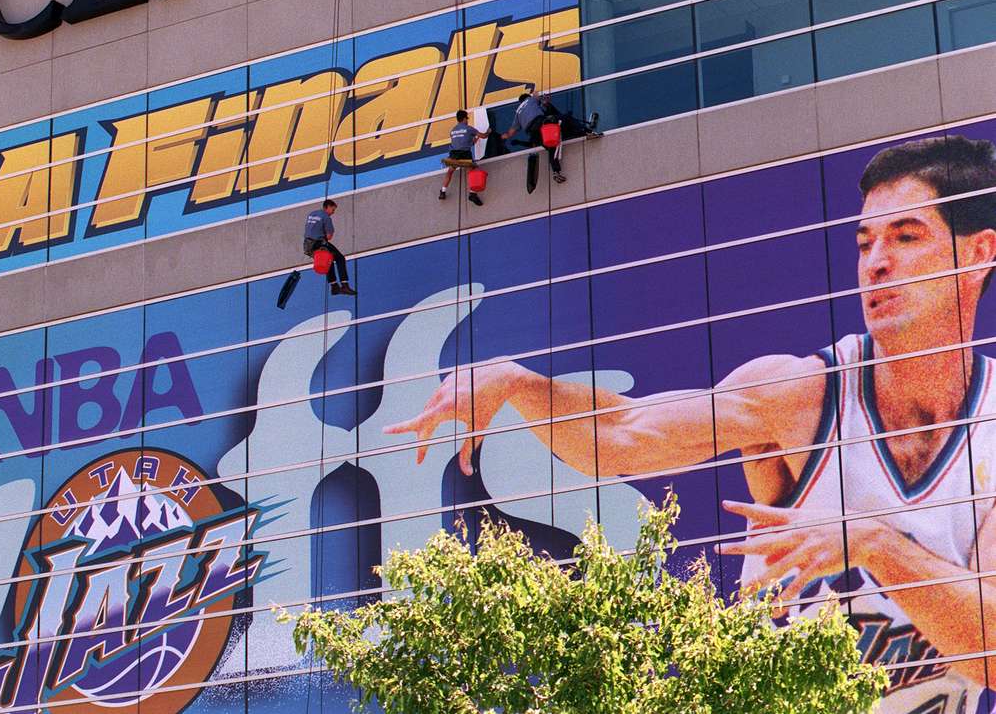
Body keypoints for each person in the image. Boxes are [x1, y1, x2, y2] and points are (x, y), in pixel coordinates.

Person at [385, 135, 996, 712]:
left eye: (907, 237)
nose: (877, 264)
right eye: (865, 244)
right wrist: (518, 384)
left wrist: (872, 543)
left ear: (977, 253)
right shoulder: (800, 396)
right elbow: (624, 435)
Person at [503, 92, 564, 183]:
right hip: (539, 123)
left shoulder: (518, 112)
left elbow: (511, 132)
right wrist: (544, 99)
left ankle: (556, 172)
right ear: (527, 97)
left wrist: (502, 137)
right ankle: (584, 131)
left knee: (551, 147)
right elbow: (537, 95)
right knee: (561, 119)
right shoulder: (530, 99)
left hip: (532, 133)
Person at [303, 199, 356, 296]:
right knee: (340, 258)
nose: (333, 212)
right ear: (327, 207)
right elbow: (329, 236)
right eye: (333, 210)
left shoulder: (312, 214)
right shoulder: (326, 217)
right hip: (319, 243)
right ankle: (345, 285)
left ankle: (334, 286)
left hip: (307, 245)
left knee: (328, 259)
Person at [442, 109, 490, 206]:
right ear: (464, 118)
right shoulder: (468, 128)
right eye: (467, 118)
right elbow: (484, 136)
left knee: (450, 172)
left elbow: (461, 142)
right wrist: (488, 132)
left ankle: (442, 191)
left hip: (453, 155)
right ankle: (472, 193)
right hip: (464, 154)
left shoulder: (452, 131)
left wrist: (474, 140)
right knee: (473, 172)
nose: (467, 120)